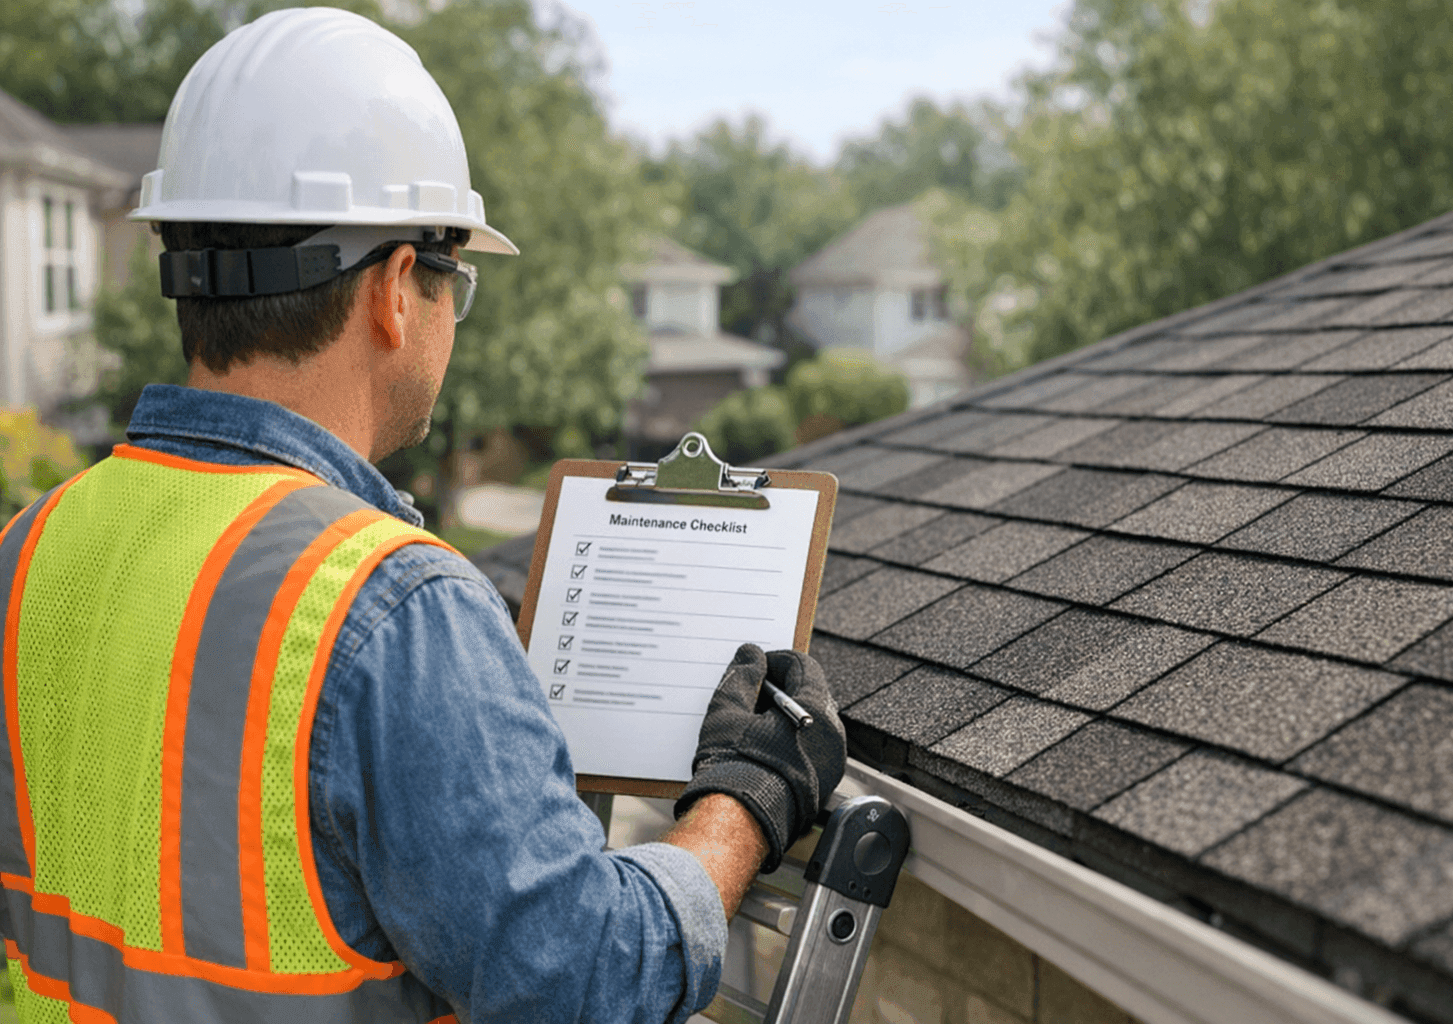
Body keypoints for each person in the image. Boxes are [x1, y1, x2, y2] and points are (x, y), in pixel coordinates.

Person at [0, 8, 845, 1022]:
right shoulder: (392, 609)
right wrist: (744, 804)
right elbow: (584, 979)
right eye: (458, 281)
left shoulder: (32, 545)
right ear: (399, 289)